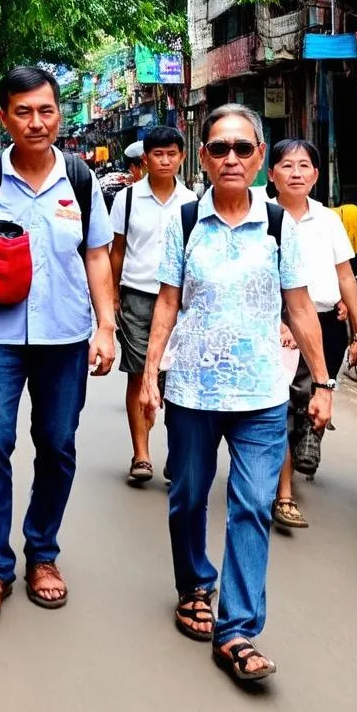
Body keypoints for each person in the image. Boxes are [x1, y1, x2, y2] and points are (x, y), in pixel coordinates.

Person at [140, 105, 333, 684]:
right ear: (203, 157)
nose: (231, 158)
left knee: (251, 505)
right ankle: (195, 583)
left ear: (258, 157)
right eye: (219, 148)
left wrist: (323, 382)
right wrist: (151, 375)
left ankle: (239, 628)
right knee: (188, 497)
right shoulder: (185, 222)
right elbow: (168, 303)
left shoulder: (280, 227)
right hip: (194, 390)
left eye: (243, 149)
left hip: (262, 395)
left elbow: (299, 308)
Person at [0, 66, 115, 622]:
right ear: (3, 118)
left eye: (45, 111)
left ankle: (42, 553)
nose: (36, 122)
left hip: (66, 335)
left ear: (59, 115)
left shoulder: (81, 180)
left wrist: (107, 328)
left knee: (58, 444)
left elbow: (96, 257)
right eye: (23, 112)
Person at [268, 140, 357, 530]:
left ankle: (308, 441)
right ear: (271, 171)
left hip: (324, 322)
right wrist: (278, 322)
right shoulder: (260, 212)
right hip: (274, 320)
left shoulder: (327, 220)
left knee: (313, 394)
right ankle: (283, 492)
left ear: (316, 175)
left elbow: (345, 274)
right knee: (279, 404)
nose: (295, 173)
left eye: (304, 165)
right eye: (287, 165)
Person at [109, 126, 196, 485]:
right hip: (136, 295)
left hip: (181, 301)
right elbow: (116, 251)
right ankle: (141, 454)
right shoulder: (126, 200)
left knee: (177, 380)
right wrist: (111, 296)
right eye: (157, 154)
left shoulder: (193, 202)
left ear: (182, 156)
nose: (165, 160)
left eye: (171, 153)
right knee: (138, 374)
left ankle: (177, 455)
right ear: (146, 158)